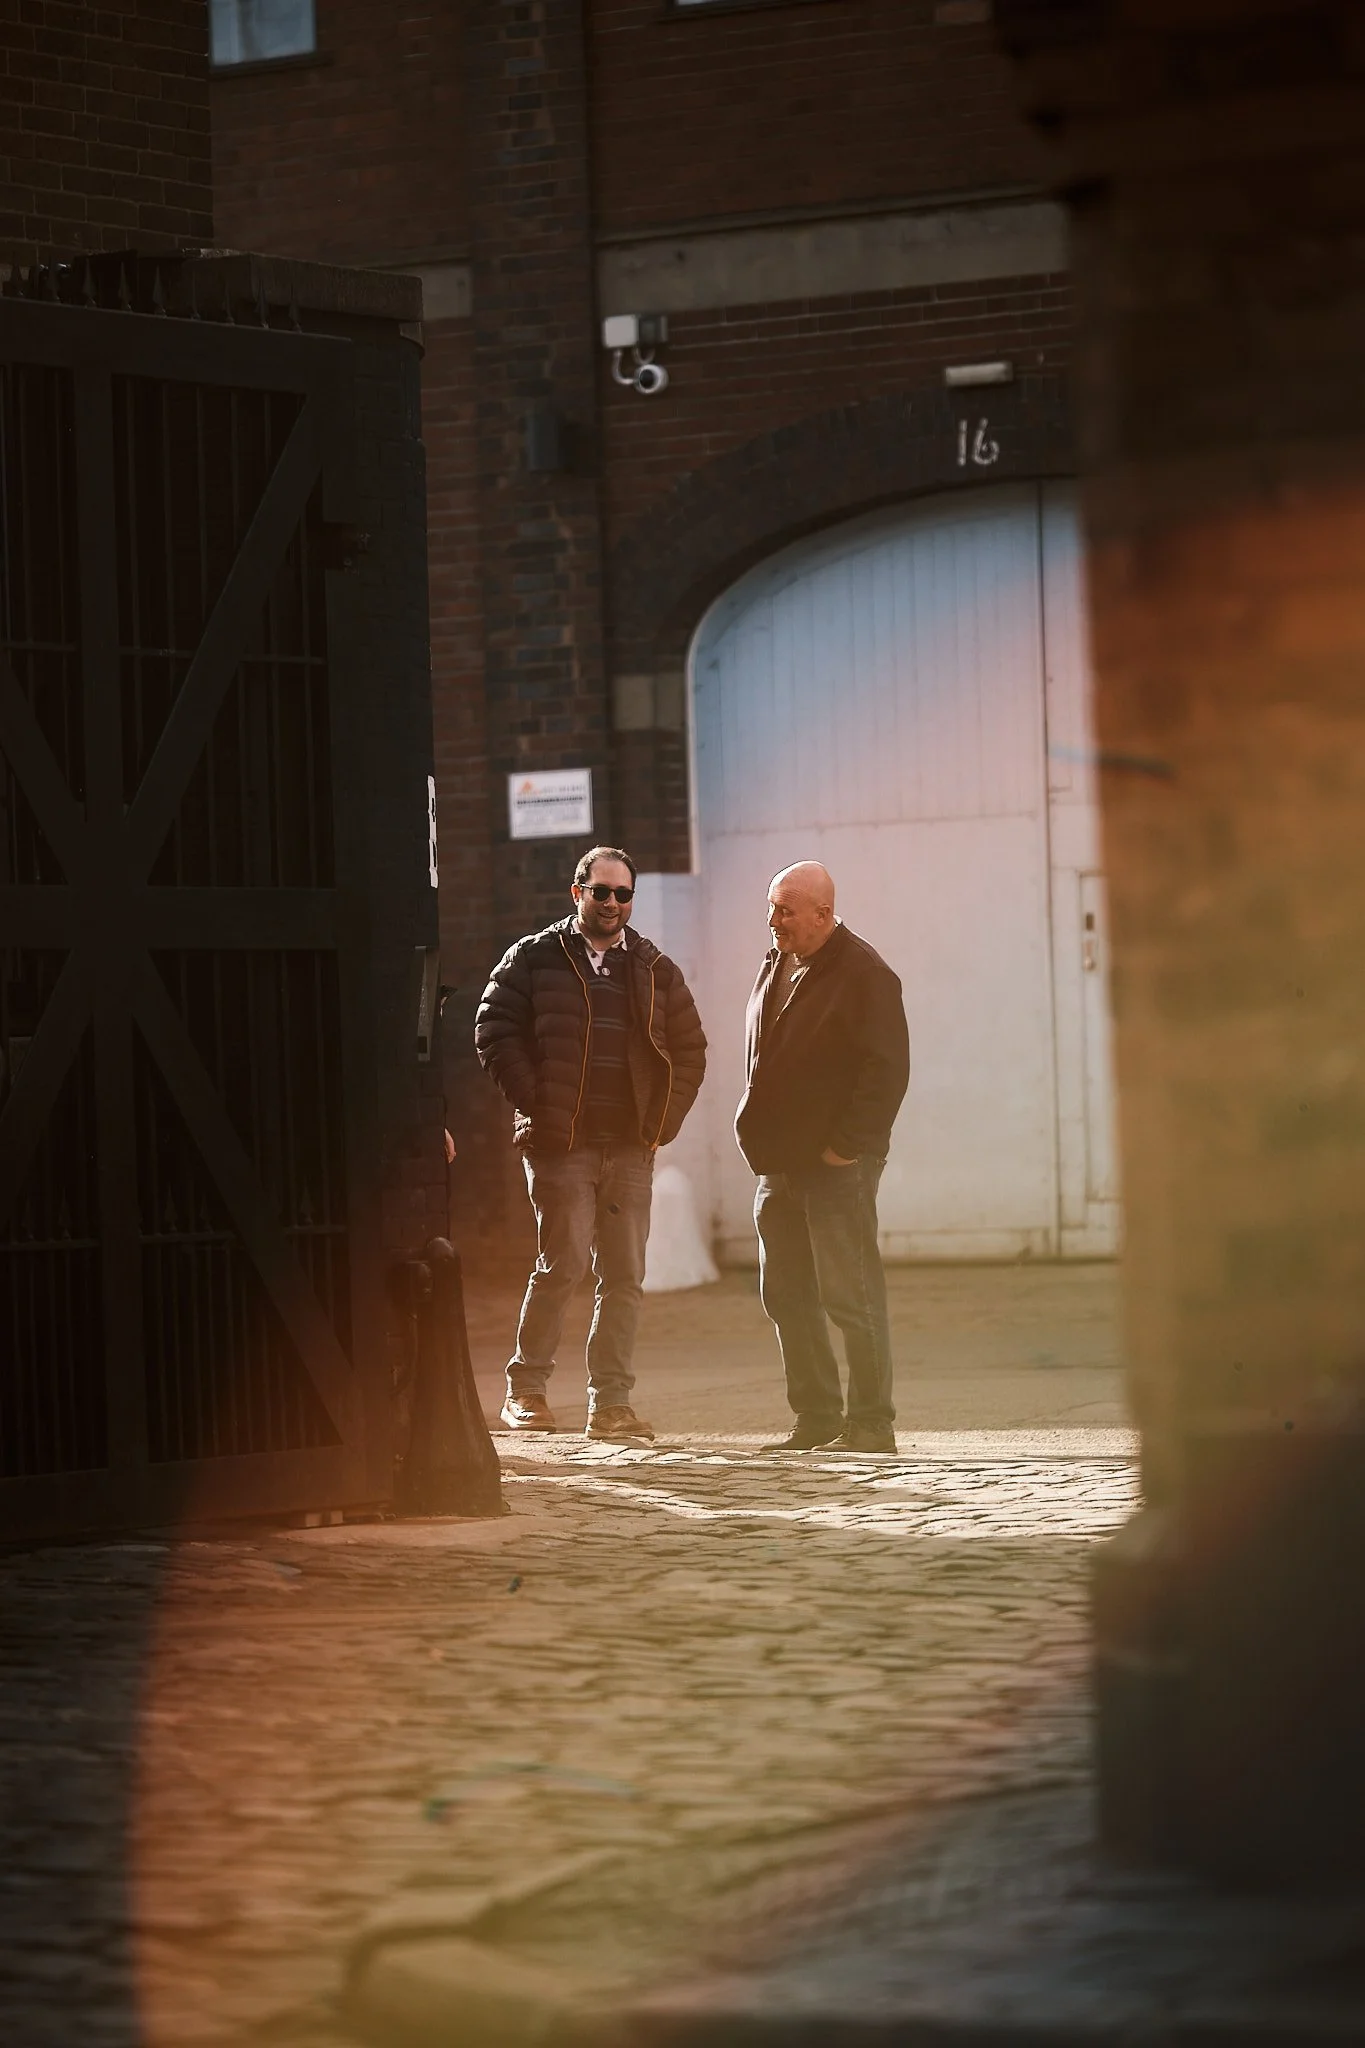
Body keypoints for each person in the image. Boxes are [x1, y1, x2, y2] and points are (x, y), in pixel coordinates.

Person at [475, 846, 707, 1441]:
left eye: (622, 894)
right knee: (563, 1266)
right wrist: (538, 1105)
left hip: (631, 1147)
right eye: (600, 891)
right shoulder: (533, 958)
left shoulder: (655, 968)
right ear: (576, 892)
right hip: (562, 1145)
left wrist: (662, 1125)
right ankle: (525, 1391)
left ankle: (612, 1406)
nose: (611, 903)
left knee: (625, 1275)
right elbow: (493, 1030)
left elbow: (690, 1051)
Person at [735, 862, 910, 1454]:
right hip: (778, 1162)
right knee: (784, 1292)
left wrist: (846, 1147)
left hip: (835, 1164)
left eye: (787, 910)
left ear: (823, 914)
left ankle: (870, 1423)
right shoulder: (779, 960)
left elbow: (886, 1071)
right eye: (771, 907)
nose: (774, 920)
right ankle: (816, 1416)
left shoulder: (866, 973)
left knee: (849, 1293)